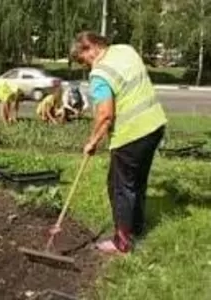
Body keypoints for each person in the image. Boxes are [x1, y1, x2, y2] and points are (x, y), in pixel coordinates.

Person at [68, 31, 167, 255]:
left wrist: (92, 141)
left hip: (130, 134)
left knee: (119, 186)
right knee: (137, 181)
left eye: (84, 60)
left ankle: (122, 242)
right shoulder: (126, 50)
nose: (86, 66)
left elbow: (105, 114)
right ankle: (137, 228)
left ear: (90, 47)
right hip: (154, 126)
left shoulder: (100, 74)